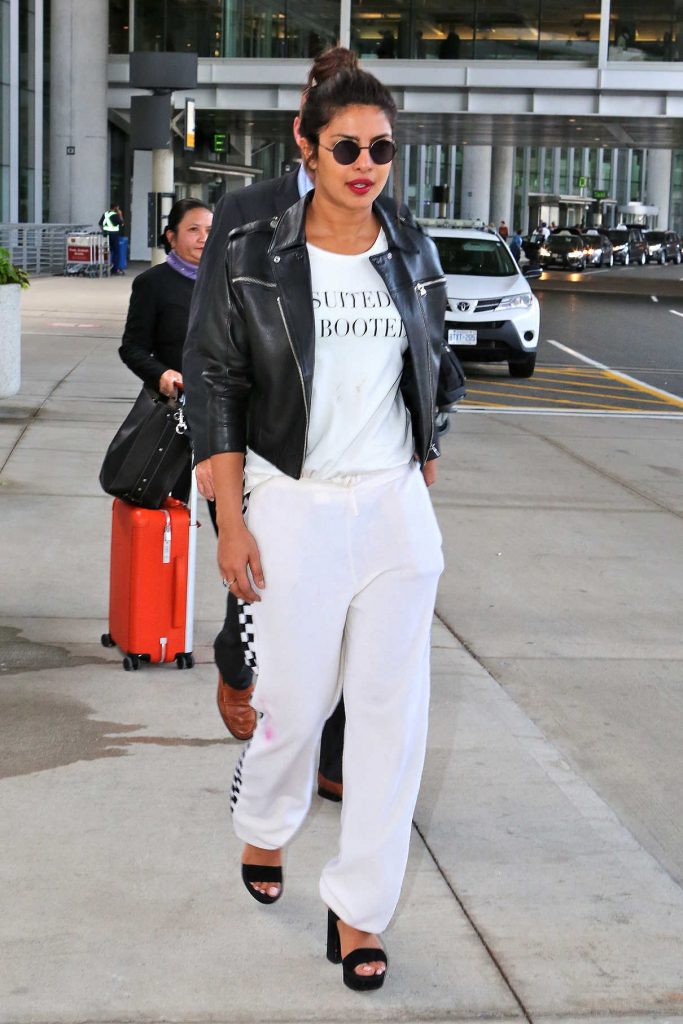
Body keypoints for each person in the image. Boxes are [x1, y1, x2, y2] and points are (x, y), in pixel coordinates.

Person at [199, 58, 445, 991]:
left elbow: (434, 365)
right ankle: (265, 823)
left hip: (391, 508)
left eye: (381, 148)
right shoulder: (255, 249)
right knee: (295, 708)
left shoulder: (410, 249)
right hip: (292, 501)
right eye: (346, 146)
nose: (365, 164)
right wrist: (232, 521)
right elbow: (218, 384)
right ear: (306, 146)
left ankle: (358, 910)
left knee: (390, 717)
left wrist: (427, 447)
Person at [184, 49, 384, 794]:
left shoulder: (382, 212)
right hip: (263, 446)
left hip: (355, 457)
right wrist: (211, 444)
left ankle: (328, 758)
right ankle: (240, 667)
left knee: (343, 615)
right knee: (269, 598)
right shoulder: (246, 211)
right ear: (304, 128)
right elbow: (209, 338)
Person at [119, 199, 212, 402]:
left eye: (210, 230)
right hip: (181, 403)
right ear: (172, 237)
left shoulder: (232, 279)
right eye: (194, 229)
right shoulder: (152, 283)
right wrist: (162, 374)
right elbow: (132, 348)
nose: (203, 238)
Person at [100, 204, 125, 276]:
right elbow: (122, 224)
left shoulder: (105, 214)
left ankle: (105, 267)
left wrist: (104, 231)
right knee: (116, 252)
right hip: (114, 235)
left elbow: (100, 224)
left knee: (106, 251)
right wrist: (120, 214)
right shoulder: (115, 215)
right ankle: (115, 269)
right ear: (115, 208)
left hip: (106, 235)